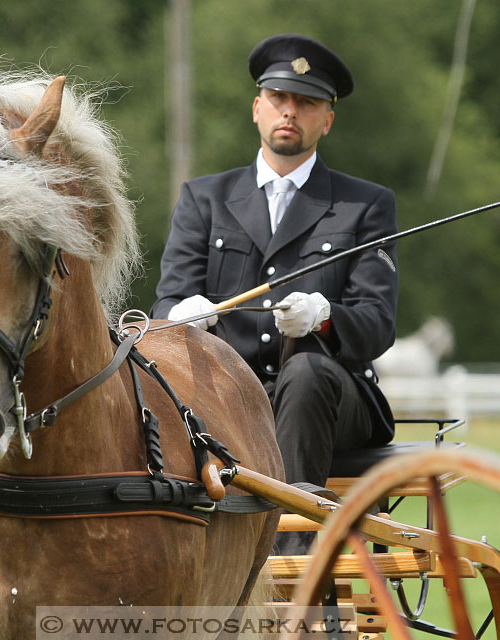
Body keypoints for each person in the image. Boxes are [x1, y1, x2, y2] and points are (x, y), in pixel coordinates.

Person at [152, 34, 398, 553]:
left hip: (328, 400)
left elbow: (378, 323)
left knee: (306, 372)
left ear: (326, 120)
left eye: (307, 103)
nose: (291, 112)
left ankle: (288, 569)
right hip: (227, 397)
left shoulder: (365, 205)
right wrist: (183, 315)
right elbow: (164, 306)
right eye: (280, 99)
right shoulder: (204, 199)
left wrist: (324, 317)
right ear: (257, 108)